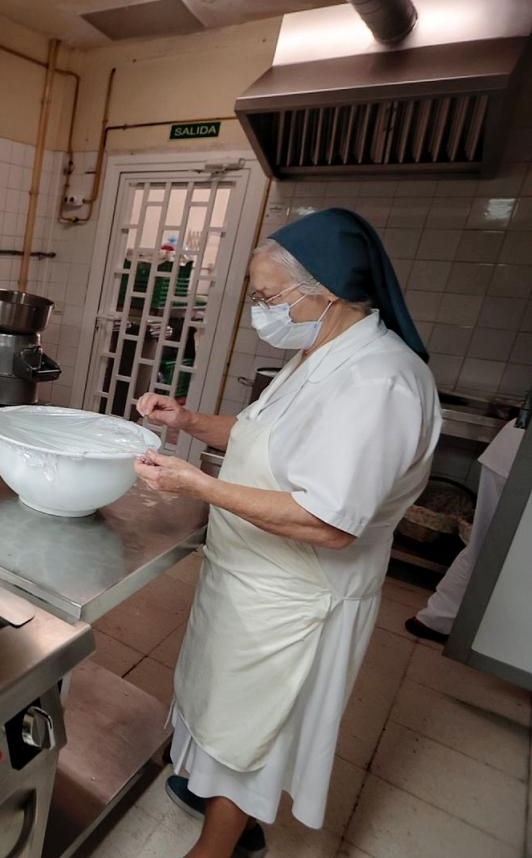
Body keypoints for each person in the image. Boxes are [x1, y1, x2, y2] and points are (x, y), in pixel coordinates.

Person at [133, 208, 441, 858]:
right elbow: (259, 436)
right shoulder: (321, 352)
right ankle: (217, 792)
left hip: (300, 599)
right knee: (226, 707)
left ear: (325, 291)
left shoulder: (378, 384)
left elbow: (329, 522)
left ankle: (221, 844)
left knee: (258, 731)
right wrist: (188, 418)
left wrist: (196, 485)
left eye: (269, 297)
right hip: (253, 578)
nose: (262, 310)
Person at [407, 417, 525, 642]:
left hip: (510, 454)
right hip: (517, 461)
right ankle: (437, 620)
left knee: (483, 547)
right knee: (485, 548)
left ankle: (437, 618)